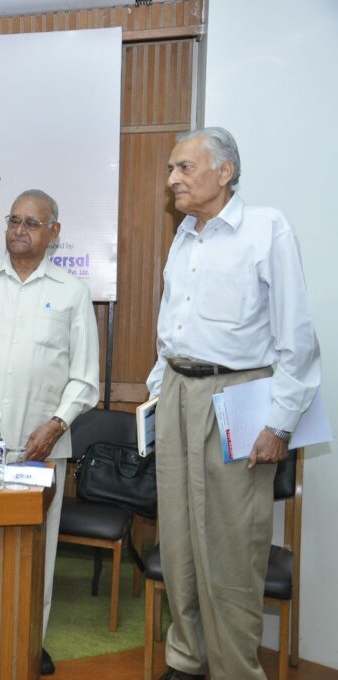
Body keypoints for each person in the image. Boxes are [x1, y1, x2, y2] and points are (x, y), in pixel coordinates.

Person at [146, 127, 321, 680]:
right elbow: (172, 326)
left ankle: (235, 670)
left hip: (238, 398)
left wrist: (280, 423)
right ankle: (187, 658)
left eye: (184, 168)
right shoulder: (183, 237)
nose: (172, 179)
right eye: (171, 169)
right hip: (177, 393)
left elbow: (296, 337)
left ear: (224, 172)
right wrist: (157, 390)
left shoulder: (267, 229)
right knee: (178, 539)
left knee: (230, 546)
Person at [0, 189, 99, 675]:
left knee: (35, 552)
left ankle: (28, 642)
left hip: (40, 448)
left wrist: (56, 424)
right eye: (14, 220)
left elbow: (85, 377)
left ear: (54, 232)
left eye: (32, 223)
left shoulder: (72, 292)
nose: (19, 230)